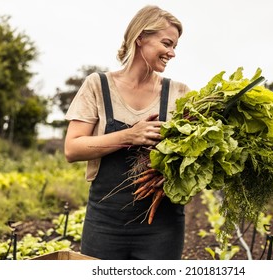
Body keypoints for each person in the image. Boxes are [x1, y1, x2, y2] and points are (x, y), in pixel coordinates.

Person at [64, 5, 190, 260]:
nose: (172, 53)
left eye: (175, 46)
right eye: (167, 43)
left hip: (163, 225)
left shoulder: (180, 94)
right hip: (105, 220)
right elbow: (72, 149)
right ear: (140, 37)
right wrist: (129, 136)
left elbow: (193, 158)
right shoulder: (97, 85)